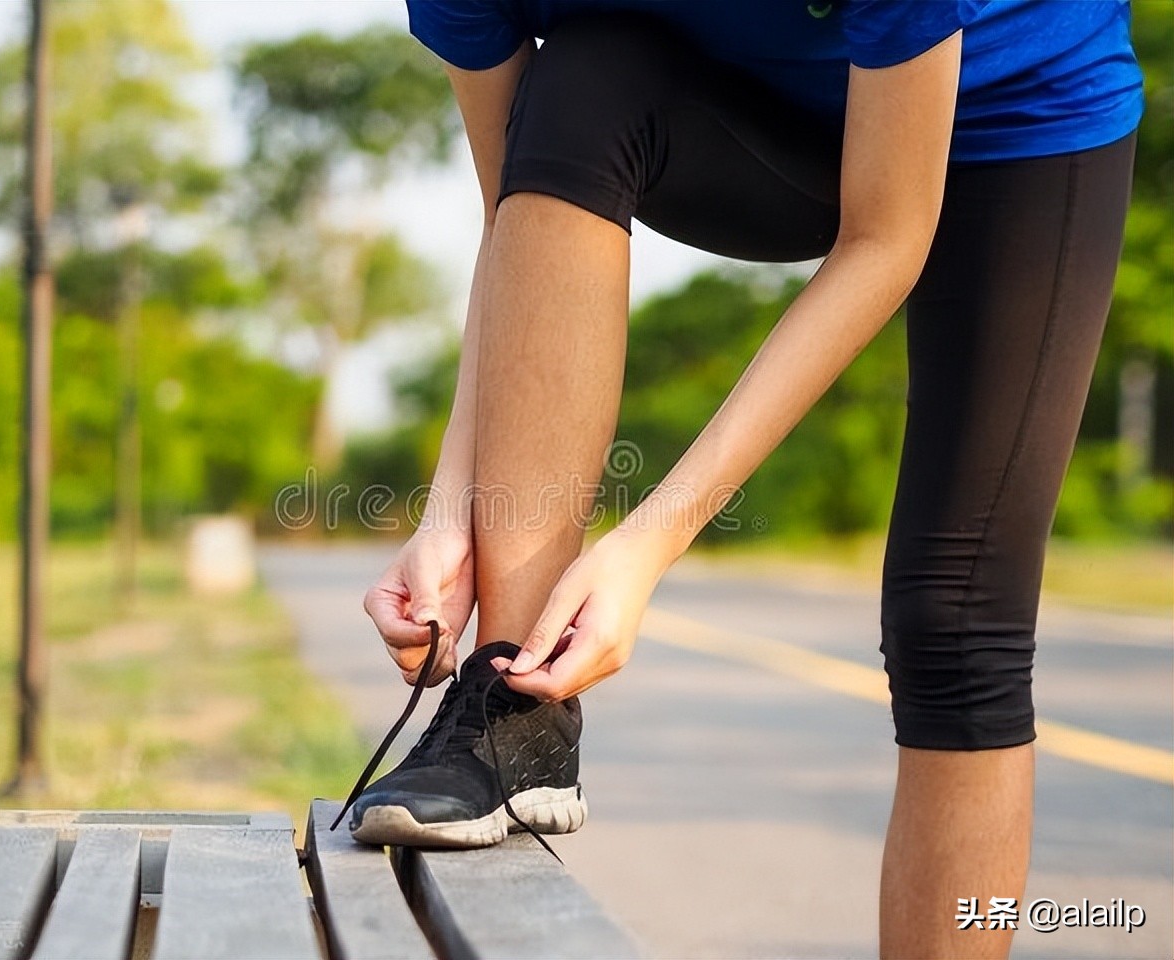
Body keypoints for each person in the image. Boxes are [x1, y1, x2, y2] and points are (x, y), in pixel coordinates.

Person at [342, 2, 1142, 956]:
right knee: (581, 85)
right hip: (761, 115)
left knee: (955, 625)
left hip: (1017, 122)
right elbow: (511, 219)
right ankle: (517, 712)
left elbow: (886, 235)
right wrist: (451, 512)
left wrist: (650, 541)